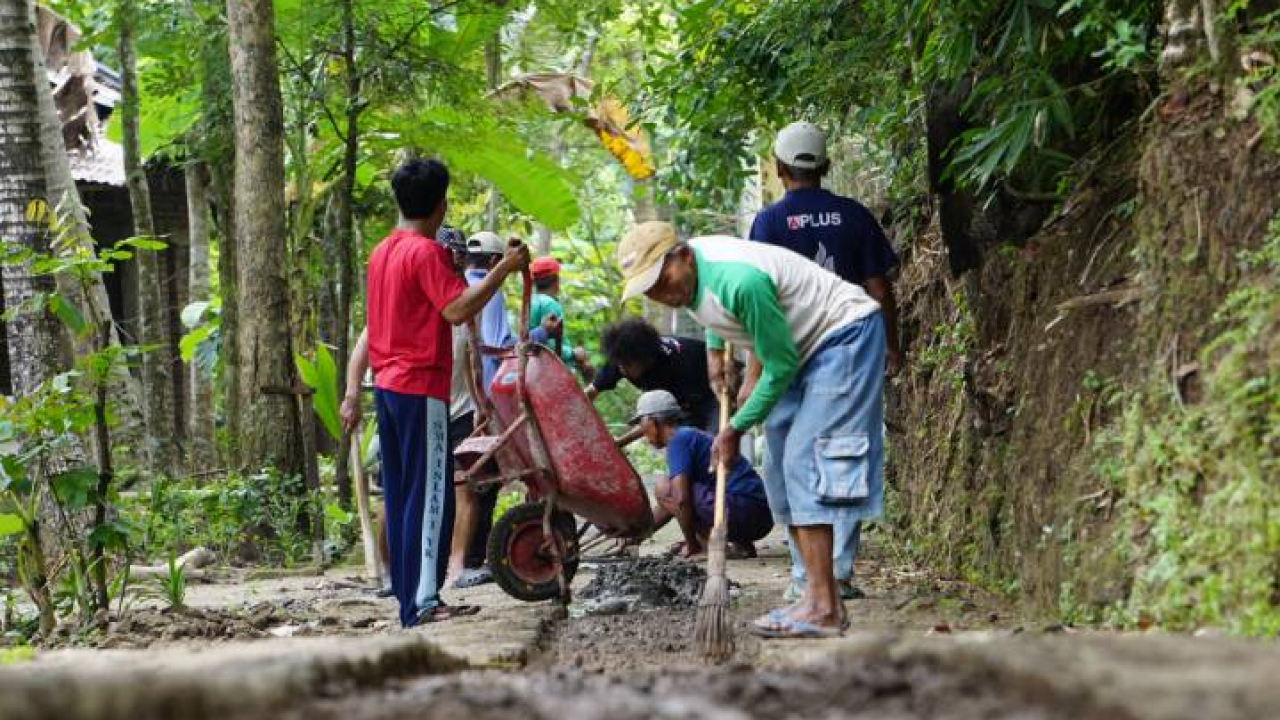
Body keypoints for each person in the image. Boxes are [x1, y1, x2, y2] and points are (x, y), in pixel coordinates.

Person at [616, 220, 885, 638]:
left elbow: (779, 366)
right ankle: (816, 596)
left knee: (804, 461)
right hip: (801, 345)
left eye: (660, 280)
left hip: (841, 335)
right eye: (648, 289)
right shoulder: (690, 280)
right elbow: (715, 314)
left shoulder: (740, 281)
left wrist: (736, 428)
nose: (659, 294)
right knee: (778, 471)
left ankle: (825, 607)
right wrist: (714, 352)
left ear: (682, 256)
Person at [339, 158, 530, 628]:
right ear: (441, 205)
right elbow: (456, 307)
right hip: (421, 386)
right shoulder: (422, 253)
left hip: (387, 387)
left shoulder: (382, 251)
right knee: (430, 497)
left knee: (404, 494)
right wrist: (503, 269)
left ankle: (411, 597)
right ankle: (422, 601)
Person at [749, 121, 903, 602]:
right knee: (842, 452)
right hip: (847, 351)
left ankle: (804, 577)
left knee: (786, 457)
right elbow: (880, 290)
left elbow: (760, 300)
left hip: (788, 354)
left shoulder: (770, 223)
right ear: (826, 166)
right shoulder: (854, 215)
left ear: (778, 168)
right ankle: (837, 572)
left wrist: (753, 370)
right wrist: (893, 346)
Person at [448, 230, 519, 589]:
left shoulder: (457, 287)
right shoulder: (489, 292)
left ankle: (461, 556)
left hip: (458, 397)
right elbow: (493, 346)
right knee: (480, 481)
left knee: (458, 480)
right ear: (495, 262)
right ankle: (474, 556)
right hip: (484, 399)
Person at [632, 390, 772, 559]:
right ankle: (741, 546)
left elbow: (680, 500)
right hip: (759, 516)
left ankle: (704, 547)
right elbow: (667, 506)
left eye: (641, 423)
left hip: (744, 511)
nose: (642, 431)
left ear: (652, 421)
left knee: (665, 488)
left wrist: (692, 544)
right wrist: (635, 537)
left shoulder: (678, 440)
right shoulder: (689, 436)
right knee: (671, 492)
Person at [585, 318, 718, 432]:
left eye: (627, 365)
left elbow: (661, 420)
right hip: (687, 400)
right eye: (620, 364)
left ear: (647, 360)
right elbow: (590, 392)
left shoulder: (674, 367)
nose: (622, 370)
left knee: (710, 443)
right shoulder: (620, 357)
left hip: (711, 389)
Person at [527, 256, 593, 378]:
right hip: (551, 371)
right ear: (556, 280)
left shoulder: (531, 301)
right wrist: (573, 354)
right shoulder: (550, 304)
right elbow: (549, 344)